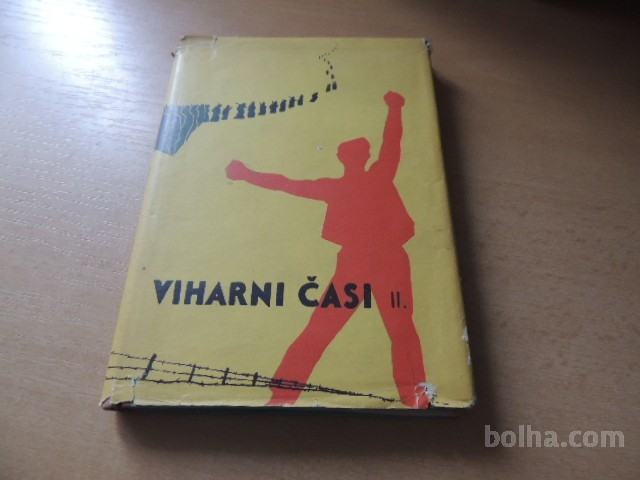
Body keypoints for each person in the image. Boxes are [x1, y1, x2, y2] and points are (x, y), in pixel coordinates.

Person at [226, 91, 431, 408]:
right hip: (359, 262)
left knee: (398, 328)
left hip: (387, 259)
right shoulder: (345, 184)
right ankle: (282, 396)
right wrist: (247, 175)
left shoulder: (375, 176)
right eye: (356, 153)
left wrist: (395, 108)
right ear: (349, 158)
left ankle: (416, 397)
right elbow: (287, 184)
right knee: (325, 328)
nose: (358, 156)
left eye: (359, 152)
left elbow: (393, 142)